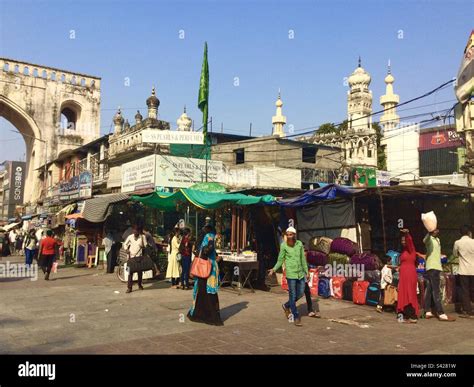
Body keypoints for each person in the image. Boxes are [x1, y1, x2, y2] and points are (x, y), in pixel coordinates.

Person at [268, 227, 308, 327]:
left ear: (294, 235)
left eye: (291, 234)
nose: (289, 236)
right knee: (293, 295)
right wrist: (274, 269)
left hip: (300, 273)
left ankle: (286, 305)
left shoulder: (299, 244)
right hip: (291, 274)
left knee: (301, 293)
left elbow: (303, 259)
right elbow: (280, 259)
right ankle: (296, 316)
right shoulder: (284, 246)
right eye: (288, 235)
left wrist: (306, 271)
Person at [187, 224, 223, 326]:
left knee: (205, 291)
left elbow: (209, 248)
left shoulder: (209, 236)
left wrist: (201, 253)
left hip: (207, 268)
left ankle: (207, 316)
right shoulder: (211, 236)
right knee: (207, 292)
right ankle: (208, 315)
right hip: (209, 268)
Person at [423, 229, 455, 321]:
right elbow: (425, 240)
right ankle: (441, 313)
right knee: (436, 290)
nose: (437, 231)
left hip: (436, 266)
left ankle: (427, 311)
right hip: (433, 267)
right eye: (435, 229)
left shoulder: (438, 240)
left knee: (429, 289)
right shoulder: (429, 239)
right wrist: (429, 232)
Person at [396, 229, 419, 323]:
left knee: (410, 293)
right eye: (402, 241)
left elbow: (409, 240)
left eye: (404, 240)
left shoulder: (411, 249)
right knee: (403, 293)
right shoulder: (404, 251)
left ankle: (412, 315)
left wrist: (407, 234)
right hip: (404, 274)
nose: (403, 242)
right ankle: (404, 315)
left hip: (410, 274)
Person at [453, 225, 474, 318]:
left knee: (465, 291)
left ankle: (467, 310)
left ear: (460, 233)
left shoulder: (457, 242)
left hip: (464, 270)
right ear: (469, 232)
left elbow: (454, 254)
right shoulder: (473, 242)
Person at [123, 225, 148, 293]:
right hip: (131, 257)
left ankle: (139, 285)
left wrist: (142, 246)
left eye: (136, 231)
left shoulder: (142, 237)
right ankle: (129, 287)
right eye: (134, 231)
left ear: (139, 231)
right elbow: (125, 244)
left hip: (139, 257)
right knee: (130, 272)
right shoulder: (130, 237)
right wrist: (126, 250)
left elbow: (145, 245)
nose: (135, 233)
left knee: (139, 272)